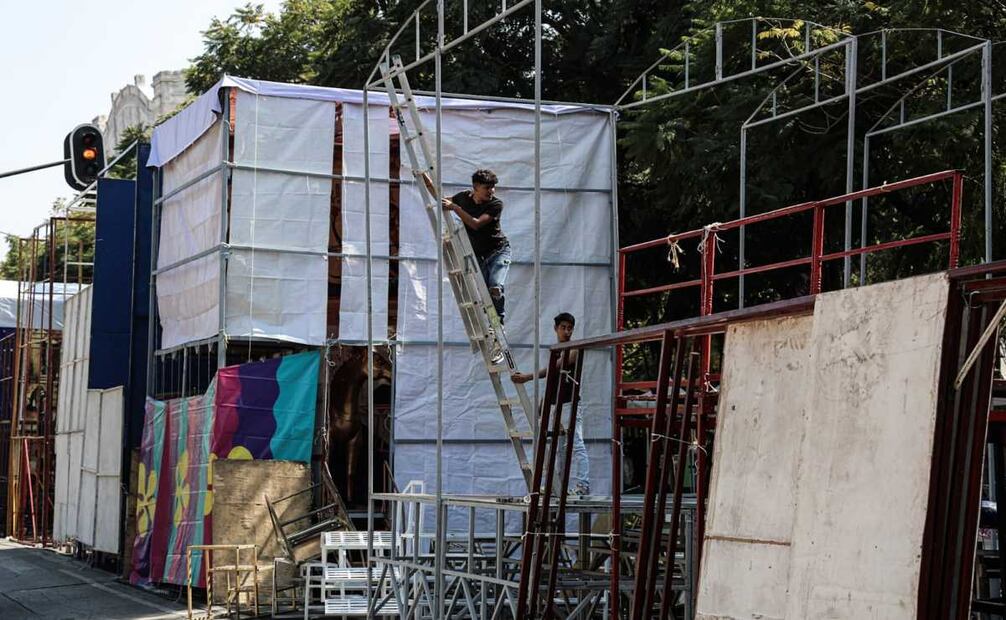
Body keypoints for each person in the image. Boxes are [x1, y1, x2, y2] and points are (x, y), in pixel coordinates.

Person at [512, 312, 590, 495]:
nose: (567, 331)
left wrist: (528, 377)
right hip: (557, 405)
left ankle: (583, 484)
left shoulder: (573, 349)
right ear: (556, 328)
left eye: (570, 328)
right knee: (560, 448)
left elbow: (555, 369)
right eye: (563, 327)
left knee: (576, 443)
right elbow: (553, 381)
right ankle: (559, 486)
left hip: (570, 403)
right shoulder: (556, 351)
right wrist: (542, 404)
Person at [438, 169, 512, 324]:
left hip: (498, 251)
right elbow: (441, 199)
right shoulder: (463, 198)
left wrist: (456, 208)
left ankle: (498, 322)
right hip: (480, 255)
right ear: (476, 187)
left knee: (495, 287)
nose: (491, 191)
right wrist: (426, 178)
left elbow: (476, 224)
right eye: (487, 187)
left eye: (493, 187)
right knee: (486, 294)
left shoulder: (496, 204)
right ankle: (493, 322)